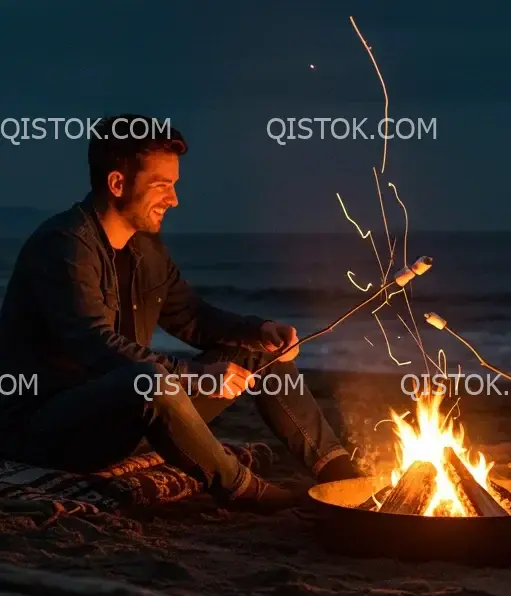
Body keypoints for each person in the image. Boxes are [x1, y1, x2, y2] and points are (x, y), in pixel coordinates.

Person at [0, 114, 361, 509]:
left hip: (131, 420)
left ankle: (343, 477)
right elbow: (97, 347)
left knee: (258, 351)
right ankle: (247, 492)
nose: (174, 199)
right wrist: (197, 377)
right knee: (151, 379)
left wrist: (261, 329)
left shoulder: (146, 247)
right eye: (162, 186)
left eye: (174, 185)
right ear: (117, 183)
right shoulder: (64, 247)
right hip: (50, 428)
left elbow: (191, 316)